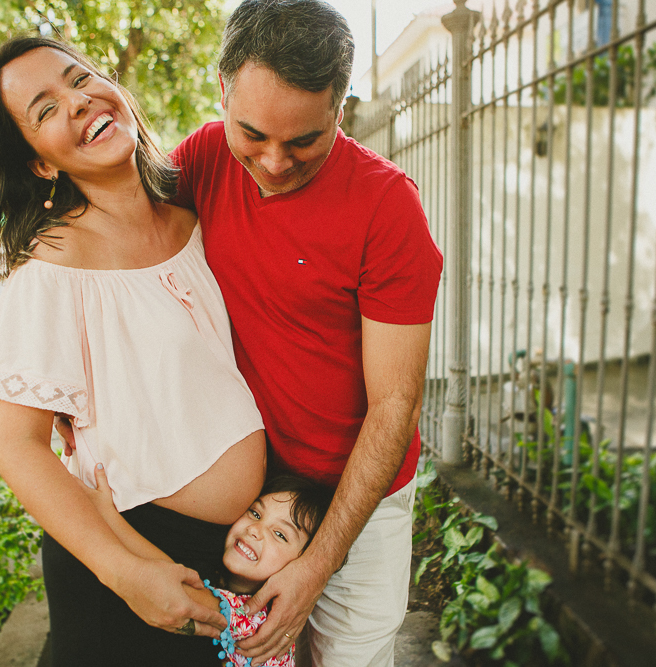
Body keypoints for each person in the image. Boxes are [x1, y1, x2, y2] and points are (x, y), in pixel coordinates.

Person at [0, 35, 270, 666]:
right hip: (129, 556)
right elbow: (19, 446)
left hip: (230, 549)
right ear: (40, 163)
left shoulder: (196, 222)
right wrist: (123, 572)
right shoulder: (51, 273)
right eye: (44, 109)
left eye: (79, 77)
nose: (77, 101)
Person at [172, 1, 443, 664]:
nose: (272, 161)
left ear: (340, 111)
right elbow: (125, 257)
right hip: (254, 489)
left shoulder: (387, 207)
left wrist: (319, 562)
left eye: (302, 141)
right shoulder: (203, 157)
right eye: (253, 134)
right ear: (223, 90)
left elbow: (395, 407)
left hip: (359, 491)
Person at [84, 467, 336, 667]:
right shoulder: (220, 579)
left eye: (280, 534)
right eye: (255, 514)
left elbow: (175, 584)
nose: (255, 530)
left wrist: (108, 516)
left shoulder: (259, 618)